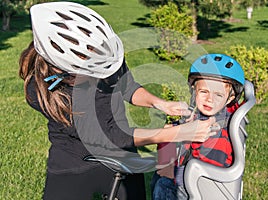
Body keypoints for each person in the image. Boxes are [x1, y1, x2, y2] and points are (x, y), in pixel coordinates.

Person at [19, 2, 217, 200]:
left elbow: (127, 86)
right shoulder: (43, 91)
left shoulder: (104, 52)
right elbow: (108, 135)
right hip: (74, 161)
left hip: (122, 152)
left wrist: (159, 103)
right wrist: (175, 133)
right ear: (63, 68)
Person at [151, 53, 245, 200]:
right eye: (204, 91)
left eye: (218, 95)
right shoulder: (204, 116)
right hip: (189, 180)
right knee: (159, 177)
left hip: (199, 190)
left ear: (230, 98)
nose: (209, 99)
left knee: (162, 184)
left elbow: (206, 175)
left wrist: (173, 172)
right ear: (194, 91)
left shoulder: (217, 132)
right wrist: (174, 129)